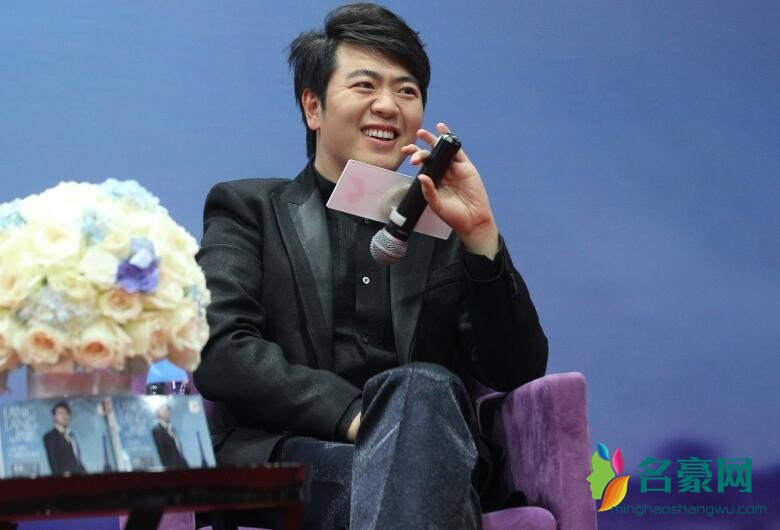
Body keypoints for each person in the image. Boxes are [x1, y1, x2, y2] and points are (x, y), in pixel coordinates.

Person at [193, 3, 548, 529]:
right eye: (365, 85)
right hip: (290, 456)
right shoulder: (250, 210)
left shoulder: (445, 226)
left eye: (407, 91)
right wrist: (359, 415)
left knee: (421, 391)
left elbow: (515, 369)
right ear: (313, 107)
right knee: (402, 463)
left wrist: (480, 236)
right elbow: (221, 349)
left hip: (434, 447)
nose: (388, 105)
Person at [43, 400, 87, 476]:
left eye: (66, 413)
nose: (64, 416)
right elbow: (53, 463)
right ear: (54, 417)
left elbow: (77, 460)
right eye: (61, 413)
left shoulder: (71, 435)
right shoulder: (49, 436)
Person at [151, 402, 189, 469]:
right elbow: (162, 453)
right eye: (163, 411)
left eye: (167, 410)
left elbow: (178, 449)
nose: (166, 413)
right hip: (172, 467)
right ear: (158, 414)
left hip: (182, 465)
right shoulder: (157, 430)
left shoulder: (172, 429)